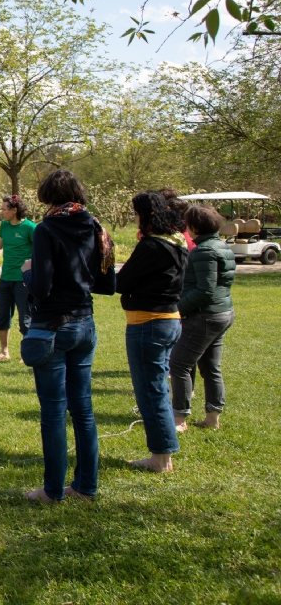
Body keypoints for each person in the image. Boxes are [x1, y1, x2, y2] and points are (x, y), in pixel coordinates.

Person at [21, 169, 116, 503]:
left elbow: (42, 288)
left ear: (48, 196)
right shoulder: (96, 227)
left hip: (52, 325)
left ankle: (52, 491)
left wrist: (28, 273)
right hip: (85, 322)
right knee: (84, 411)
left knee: (53, 413)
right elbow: (108, 283)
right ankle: (86, 487)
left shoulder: (48, 229)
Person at [116, 191, 187, 473]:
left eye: (135, 213)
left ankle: (161, 459)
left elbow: (121, 281)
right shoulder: (176, 242)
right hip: (169, 320)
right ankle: (163, 454)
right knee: (158, 386)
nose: (134, 218)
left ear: (145, 215)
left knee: (151, 391)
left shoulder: (153, 247)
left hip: (150, 323)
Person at [171, 205, 236, 432]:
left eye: (187, 223)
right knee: (210, 367)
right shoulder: (222, 246)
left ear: (196, 226)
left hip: (205, 316)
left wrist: (178, 309)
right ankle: (212, 418)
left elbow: (205, 290)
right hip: (222, 313)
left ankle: (179, 419)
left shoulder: (204, 251)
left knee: (178, 364)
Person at [0, 195, 36, 362]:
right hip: (6, 278)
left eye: (4, 209)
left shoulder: (30, 228)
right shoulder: (4, 225)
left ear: (14, 210)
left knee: (25, 319)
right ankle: (4, 351)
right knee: (1, 315)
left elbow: (40, 251)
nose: (1, 212)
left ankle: (27, 352)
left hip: (24, 280)